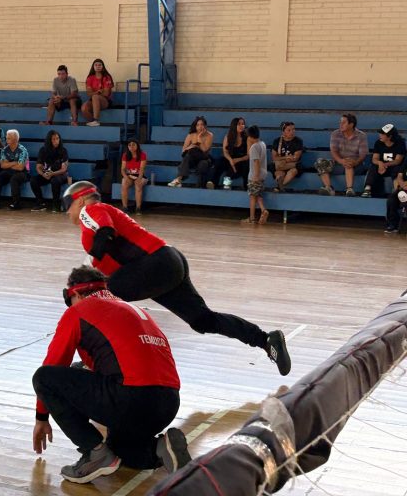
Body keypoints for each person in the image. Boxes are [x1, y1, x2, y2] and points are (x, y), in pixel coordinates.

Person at [60, 180, 291, 376]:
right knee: (203, 321)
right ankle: (266, 340)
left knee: (98, 302)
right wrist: (79, 285)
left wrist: (81, 286)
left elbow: (105, 234)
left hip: (155, 264)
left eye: (67, 205)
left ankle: (95, 365)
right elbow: (102, 269)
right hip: (168, 263)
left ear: (80, 200)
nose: (67, 211)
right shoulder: (94, 228)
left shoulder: (90, 211)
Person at [32, 266, 190, 484]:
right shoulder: (130, 309)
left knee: (45, 378)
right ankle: (161, 448)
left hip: (129, 397)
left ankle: (94, 452)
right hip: (167, 403)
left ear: (74, 294)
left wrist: (42, 417)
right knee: (121, 450)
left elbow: (53, 364)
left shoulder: (78, 311)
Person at [315, 113, 369, 197]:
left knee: (349, 162)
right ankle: (328, 187)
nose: (340, 125)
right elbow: (334, 151)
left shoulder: (361, 136)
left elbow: (363, 154)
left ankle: (349, 189)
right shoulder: (335, 134)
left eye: (343, 123)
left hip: (356, 164)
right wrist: (341, 161)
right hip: (338, 163)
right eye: (340, 122)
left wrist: (354, 162)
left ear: (351, 124)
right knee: (320, 162)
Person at [168, 116, 213, 188]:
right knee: (189, 155)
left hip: (204, 158)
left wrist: (199, 138)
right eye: (198, 125)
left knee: (203, 163)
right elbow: (183, 151)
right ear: (195, 126)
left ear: (205, 126)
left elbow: (204, 150)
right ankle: (179, 179)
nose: (200, 127)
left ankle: (197, 184)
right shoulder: (190, 135)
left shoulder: (209, 135)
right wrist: (191, 146)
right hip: (192, 160)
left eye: (202, 124)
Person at [361, 124, 405, 198]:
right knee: (373, 167)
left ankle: (396, 190)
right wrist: (380, 163)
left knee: (398, 169)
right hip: (380, 167)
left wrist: (385, 165)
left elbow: (398, 161)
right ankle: (367, 189)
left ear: (390, 136)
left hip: (393, 166)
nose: (380, 135)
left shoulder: (400, 143)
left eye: (382, 134)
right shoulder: (378, 143)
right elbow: (374, 159)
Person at [31, 130, 70, 213]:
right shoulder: (43, 150)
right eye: (53, 139)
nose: (56, 141)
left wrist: (53, 174)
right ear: (49, 140)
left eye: (57, 138)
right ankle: (40, 203)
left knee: (55, 180)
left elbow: (64, 169)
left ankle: (56, 205)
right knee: (34, 180)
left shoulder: (63, 151)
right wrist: (43, 174)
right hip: (47, 173)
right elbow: (38, 167)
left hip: (60, 174)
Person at [206, 117, 248, 190]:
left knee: (238, 165)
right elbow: (225, 151)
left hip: (241, 160)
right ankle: (212, 183)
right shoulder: (228, 136)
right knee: (219, 162)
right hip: (230, 158)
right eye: (239, 124)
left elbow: (248, 155)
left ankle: (227, 183)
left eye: (243, 124)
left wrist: (236, 160)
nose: (242, 126)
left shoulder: (247, 138)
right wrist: (230, 160)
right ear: (234, 125)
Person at [0, 129, 29, 210]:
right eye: (6, 138)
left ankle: (16, 203)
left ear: (15, 139)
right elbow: (2, 165)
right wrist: (14, 163)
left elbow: (20, 167)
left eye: (8, 138)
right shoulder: (4, 150)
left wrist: (8, 164)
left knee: (14, 178)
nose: (6, 140)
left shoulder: (23, 150)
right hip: (10, 171)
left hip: (23, 172)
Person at [245, 125, 269, 225]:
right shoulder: (262, 144)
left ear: (250, 136)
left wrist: (255, 175)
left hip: (255, 174)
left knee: (252, 196)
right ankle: (263, 210)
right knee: (258, 194)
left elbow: (256, 162)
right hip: (263, 173)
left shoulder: (254, 147)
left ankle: (252, 218)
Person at [271, 121, 304, 192]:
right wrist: (286, 158)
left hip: (293, 165)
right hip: (281, 165)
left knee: (293, 171)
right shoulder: (277, 141)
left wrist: (284, 160)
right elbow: (274, 158)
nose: (292, 132)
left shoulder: (298, 141)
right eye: (289, 130)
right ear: (283, 132)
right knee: (279, 173)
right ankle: (280, 186)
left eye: (293, 129)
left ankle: (279, 187)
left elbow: (296, 158)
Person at [81, 59, 114, 127]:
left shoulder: (106, 77)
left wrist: (95, 93)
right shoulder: (90, 78)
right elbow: (89, 93)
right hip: (93, 100)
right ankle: (93, 121)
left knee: (95, 96)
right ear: (93, 67)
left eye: (100, 65)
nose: (98, 66)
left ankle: (96, 120)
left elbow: (106, 94)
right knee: (84, 108)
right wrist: (98, 92)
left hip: (105, 101)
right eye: (96, 65)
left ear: (103, 66)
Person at [120, 138, 147, 214]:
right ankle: (125, 207)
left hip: (140, 175)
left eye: (133, 145)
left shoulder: (142, 155)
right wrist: (126, 177)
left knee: (138, 185)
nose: (131, 146)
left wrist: (139, 179)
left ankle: (138, 208)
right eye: (129, 145)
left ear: (137, 146)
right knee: (124, 184)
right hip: (129, 176)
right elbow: (122, 169)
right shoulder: (125, 155)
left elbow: (142, 169)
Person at [384, 159, 407, 234]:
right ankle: (392, 225)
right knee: (391, 200)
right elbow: (399, 176)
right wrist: (402, 184)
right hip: (404, 188)